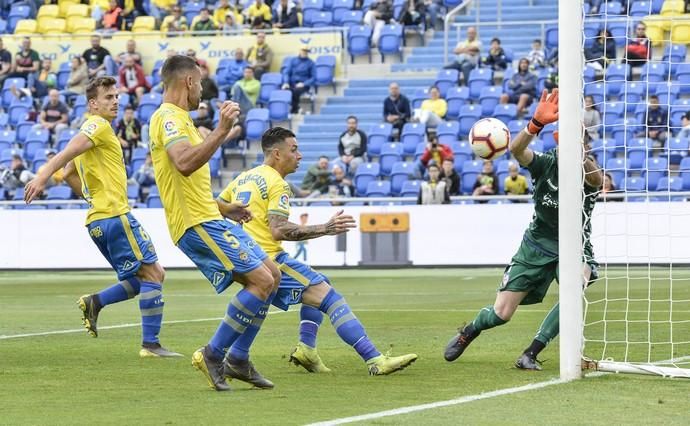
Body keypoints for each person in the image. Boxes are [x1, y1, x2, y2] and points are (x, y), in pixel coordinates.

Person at [218, 126, 418, 376]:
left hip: (245, 259)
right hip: (269, 260)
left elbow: (219, 207)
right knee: (331, 298)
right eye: (294, 149)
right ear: (277, 154)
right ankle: (374, 359)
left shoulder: (244, 177)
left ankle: (306, 350)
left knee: (320, 284)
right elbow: (278, 230)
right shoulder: (277, 184)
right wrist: (325, 228)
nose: (300, 155)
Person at [443, 89, 604, 370]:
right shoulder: (545, 164)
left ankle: (531, 352)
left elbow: (596, 179)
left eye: (581, 140)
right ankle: (470, 330)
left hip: (573, 246)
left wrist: (577, 151)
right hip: (536, 244)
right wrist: (534, 125)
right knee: (501, 313)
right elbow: (517, 150)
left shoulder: (588, 172)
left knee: (574, 290)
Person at [148, 55, 280, 391]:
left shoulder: (183, 121)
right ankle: (214, 354)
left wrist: (224, 207)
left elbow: (190, 186)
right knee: (262, 281)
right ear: (189, 82)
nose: (203, 92)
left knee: (272, 276)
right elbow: (182, 164)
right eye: (201, 84)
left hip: (209, 216)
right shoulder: (169, 119)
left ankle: (238, 359)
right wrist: (221, 130)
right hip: (195, 224)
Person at [24, 76, 179, 358]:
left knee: (144, 277)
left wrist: (92, 199)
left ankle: (95, 302)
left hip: (97, 221)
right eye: (108, 97)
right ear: (93, 104)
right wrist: (42, 176)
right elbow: (67, 152)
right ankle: (151, 345)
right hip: (115, 215)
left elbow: (70, 173)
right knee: (154, 274)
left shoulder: (94, 132)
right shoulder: (97, 126)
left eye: (117, 96)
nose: (116, 101)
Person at [281, 47, 315, 114]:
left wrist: (304, 84)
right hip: (292, 83)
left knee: (296, 91)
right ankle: (294, 108)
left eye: (306, 51)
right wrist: (286, 82)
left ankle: (294, 109)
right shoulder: (293, 60)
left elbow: (313, 78)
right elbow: (286, 72)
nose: (305, 52)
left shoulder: (311, 63)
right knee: (285, 89)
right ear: (300, 51)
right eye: (303, 50)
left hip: (303, 84)